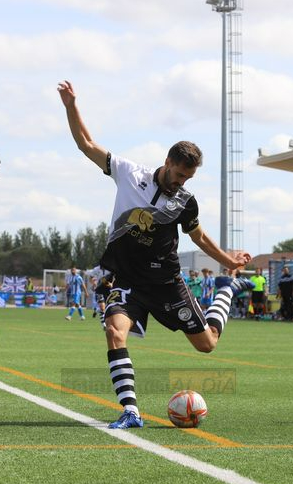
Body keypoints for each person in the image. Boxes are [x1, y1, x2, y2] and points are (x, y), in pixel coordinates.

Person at [58, 79, 252, 429]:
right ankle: (130, 410)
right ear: (167, 162)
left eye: (187, 177)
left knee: (207, 344)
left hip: (165, 283)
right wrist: (71, 105)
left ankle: (226, 288)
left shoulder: (185, 201)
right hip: (126, 280)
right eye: (179, 174)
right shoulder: (130, 174)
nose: (181, 182)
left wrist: (229, 263)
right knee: (114, 333)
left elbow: (200, 237)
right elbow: (86, 144)